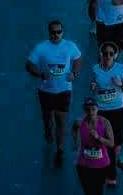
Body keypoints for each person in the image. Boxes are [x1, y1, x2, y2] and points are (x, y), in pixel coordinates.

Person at [26, 20, 83, 167]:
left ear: (63, 32)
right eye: (53, 32)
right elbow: (29, 65)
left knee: (61, 120)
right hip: (46, 90)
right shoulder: (41, 48)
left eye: (59, 32)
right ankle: (47, 129)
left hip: (64, 90)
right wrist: (40, 74)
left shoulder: (70, 46)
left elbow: (78, 60)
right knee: (47, 117)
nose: (56, 35)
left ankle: (60, 150)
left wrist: (74, 74)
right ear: (49, 33)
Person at [73, 98, 118, 195]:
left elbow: (111, 143)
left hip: (101, 165)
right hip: (84, 164)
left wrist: (98, 137)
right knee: (88, 194)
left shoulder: (104, 123)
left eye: (93, 109)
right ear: (84, 110)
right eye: (88, 109)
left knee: (97, 192)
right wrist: (75, 142)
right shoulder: (79, 122)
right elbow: (74, 129)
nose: (90, 112)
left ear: (97, 109)